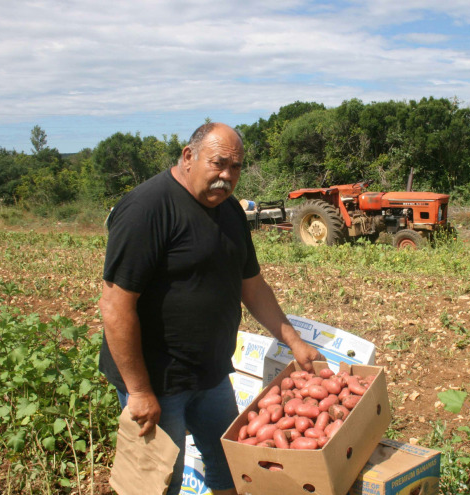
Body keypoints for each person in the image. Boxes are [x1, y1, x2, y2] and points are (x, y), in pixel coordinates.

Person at [98, 122, 322, 495]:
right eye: (218, 164)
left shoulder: (231, 212)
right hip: (157, 380)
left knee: (230, 467)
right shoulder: (146, 209)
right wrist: (138, 392)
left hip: (211, 375)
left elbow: (252, 287)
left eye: (235, 168)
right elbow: (115, 307)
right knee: (159, 482)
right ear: (188, 156)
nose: (227, 176)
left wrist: (293, 342)